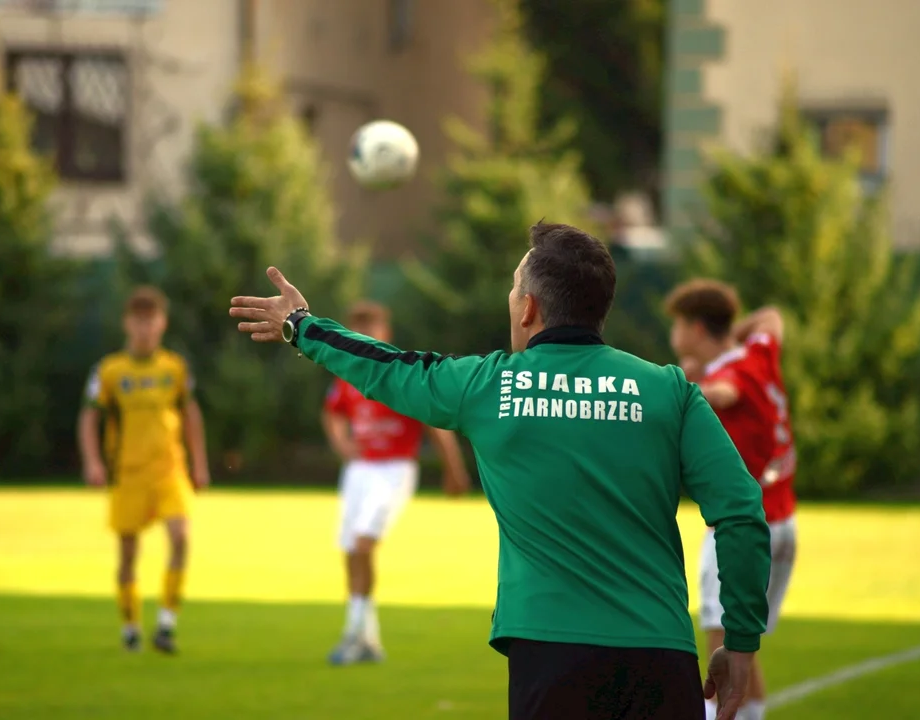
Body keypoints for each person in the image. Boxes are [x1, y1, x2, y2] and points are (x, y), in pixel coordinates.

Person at [230, 222, 771, 720]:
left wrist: (300, 325)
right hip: (660, 654)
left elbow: (385, 367)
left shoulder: (487, 387)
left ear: (529, 308)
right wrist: (742, 640)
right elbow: (741, 510)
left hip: (550, 654)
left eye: (514, 290)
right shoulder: (669, 390)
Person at [665, 280, 798, 720]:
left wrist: (683, 390)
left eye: (678, 324)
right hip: (782, 521)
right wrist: (729, 339)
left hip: (741, 529)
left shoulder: (727, 377)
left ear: (696, 328)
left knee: (722, 643)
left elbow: (726, 394)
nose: (674, 334)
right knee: (742, 644)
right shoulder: (756, 351)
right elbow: (772, 316)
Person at [322, 300, 472, 665]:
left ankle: (356, 636)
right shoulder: (348, 375)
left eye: (371, 329)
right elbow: (332, 413)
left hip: (394, 469)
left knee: (362, 544)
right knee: (350, 550)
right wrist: (342, 443)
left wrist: (454, 470)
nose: (365, 337)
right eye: (358, 330)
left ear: (385, 334)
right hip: (359, 471)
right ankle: (366, 638)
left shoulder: (396, 372)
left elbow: (433, 422)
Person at [78, 286, 211, 654]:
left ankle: (167, 623)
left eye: (151, 321)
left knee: (181, 538)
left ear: (162, 323)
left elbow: (190, 413)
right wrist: (92, 461)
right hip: (128, 474)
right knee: (127, 554)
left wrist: (199, 464)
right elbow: (89, 416)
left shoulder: (175, 368)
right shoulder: (109, 371)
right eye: (138, 321)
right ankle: (131, 627)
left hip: (169, 470)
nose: (145, 328)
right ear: (127, 324)